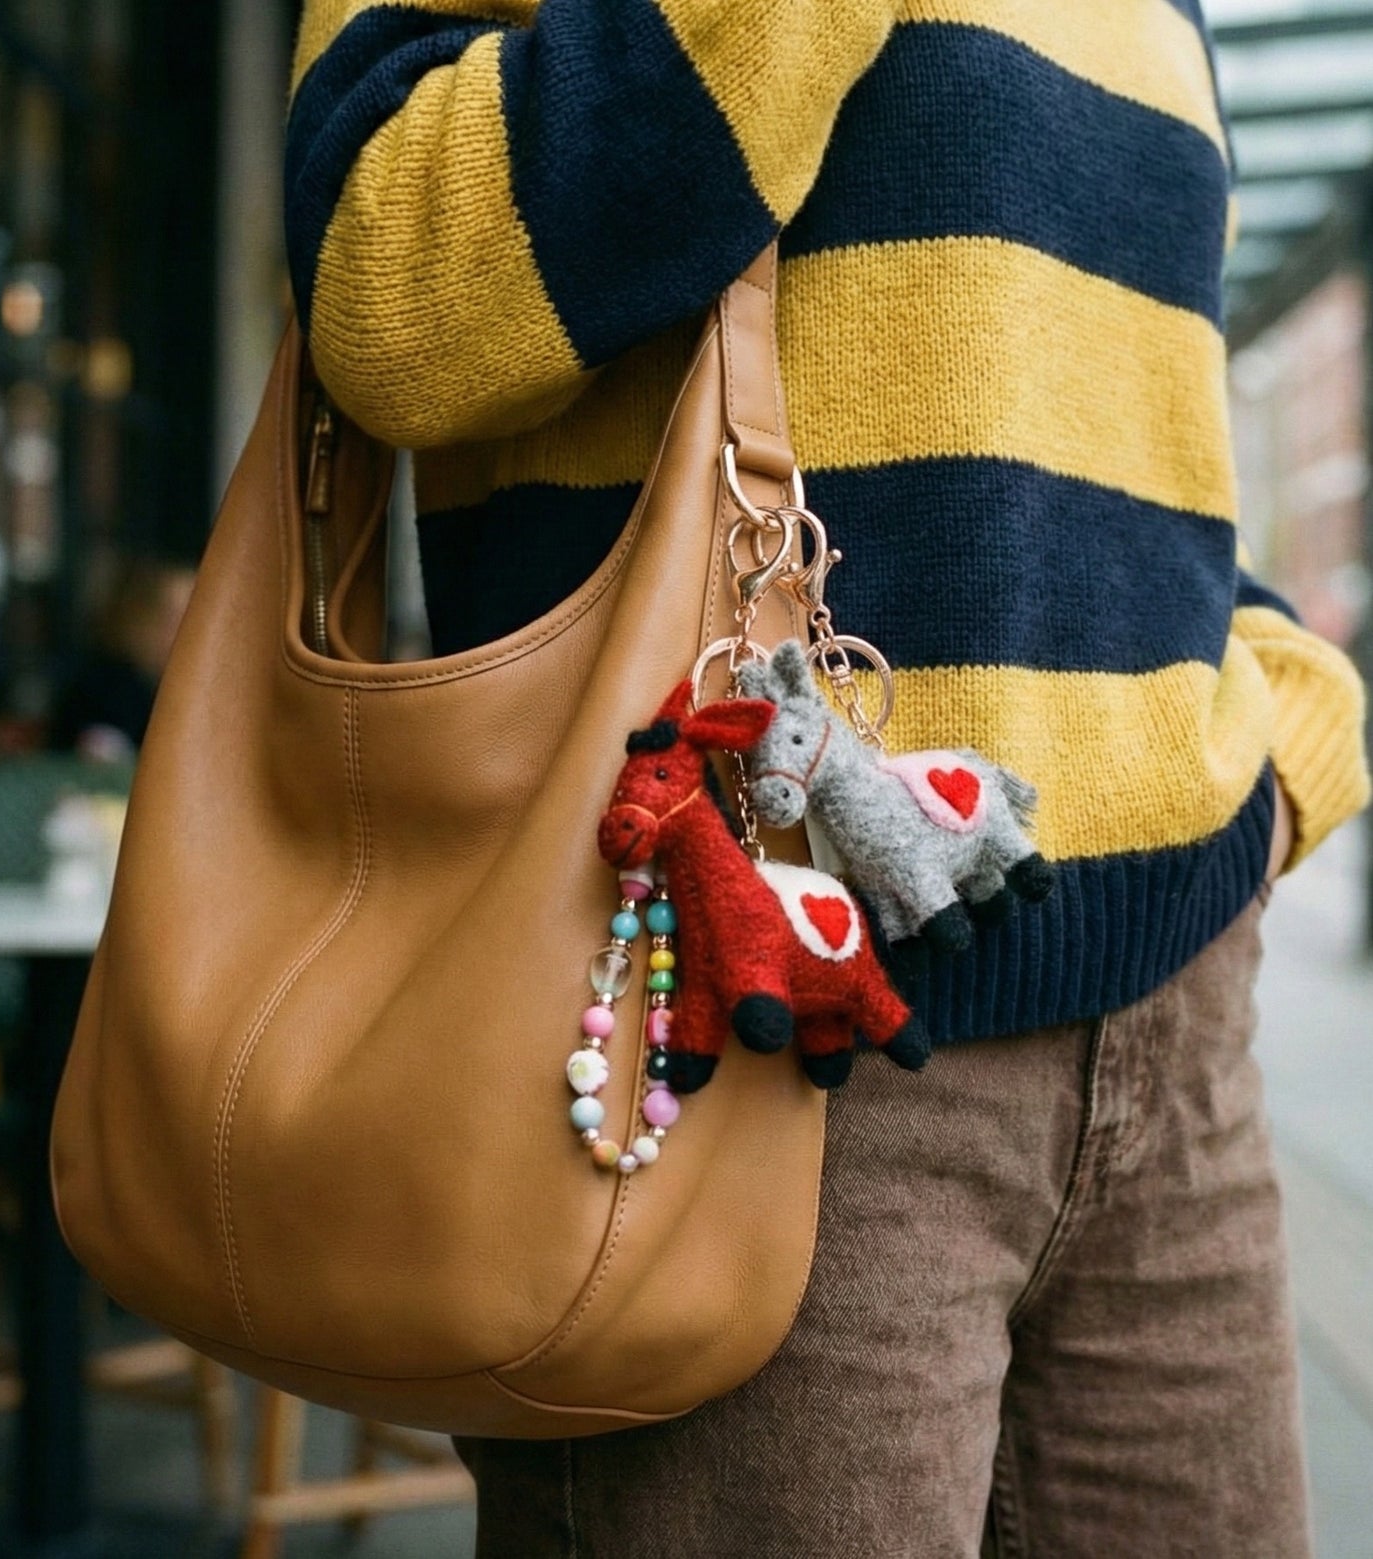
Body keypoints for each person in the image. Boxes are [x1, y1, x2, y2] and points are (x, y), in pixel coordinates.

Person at [284, 2, 1370, 1553]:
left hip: (1178, 1041)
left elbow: (1125, 421)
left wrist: (1280, 750)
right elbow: (389, 301)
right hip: (754, 1029)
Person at [49, 556, 195, 759]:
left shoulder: (169, 688)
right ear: (140, 620)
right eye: (176, 619)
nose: (192, 632)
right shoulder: (109, 690)